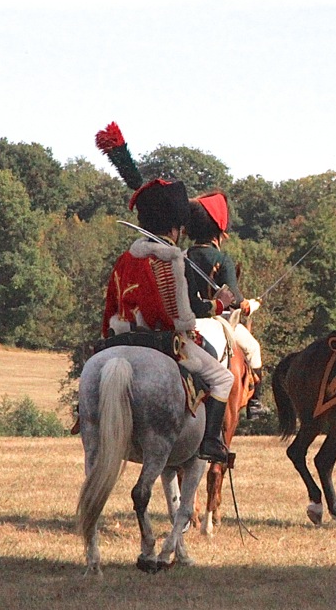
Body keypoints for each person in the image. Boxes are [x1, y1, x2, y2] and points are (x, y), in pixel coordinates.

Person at [96, 122, 234, 462]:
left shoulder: (125, 258)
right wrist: (219, 304)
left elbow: (109, 307)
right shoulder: (170, 258)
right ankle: (210, 444)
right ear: (174, 226)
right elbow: (177, 314)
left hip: (120, 338)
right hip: (162, 340)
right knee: (223, 378)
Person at [185, 191, 269, 418]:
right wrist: (251, 305)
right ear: (218, 232)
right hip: (218, 319)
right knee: (253, 349)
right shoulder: (222, 260)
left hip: (188, 320)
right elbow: (236, 300)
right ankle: (255, 403)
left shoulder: (183, 256)